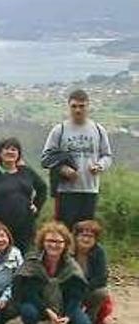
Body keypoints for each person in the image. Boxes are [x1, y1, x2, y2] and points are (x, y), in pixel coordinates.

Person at [41, 89, 113, 229]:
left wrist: (100, 166)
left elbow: (107, 156)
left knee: (85, 232)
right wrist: (63, 169)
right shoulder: (59, 130)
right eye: (74, 106)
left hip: (90, 189)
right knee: (64, 231)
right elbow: (46, 157)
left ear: (88, 106)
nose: (78, 110)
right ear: (69, 107)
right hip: (65, 191)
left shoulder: (98, 130)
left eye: (82, 106)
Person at [13, 221, 92, 324]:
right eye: (50, 241)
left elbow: (75, 295)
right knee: (28, 311)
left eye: (59, 242)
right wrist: (48, 311)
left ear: (65, 244)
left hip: (63, 305)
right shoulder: (33, 262)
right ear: (43, 242)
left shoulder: (72, 266)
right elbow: (28, 292)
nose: (54, 245)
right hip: (37, 303)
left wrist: (68, 316)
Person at [0, 138, 47, 253]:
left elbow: (42, 188)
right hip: (1, 230)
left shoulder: (26, 172)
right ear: (0, 153)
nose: (10, 152)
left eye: (14, 149)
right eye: (6, 149)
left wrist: (36, 206)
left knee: (23, 259)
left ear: (18, 154)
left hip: (25, 226)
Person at [73, 220, 113, 324]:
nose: (86, 239)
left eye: (90, 236)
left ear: (95, 239)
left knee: (102, 292)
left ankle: (90, 320)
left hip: (88, 289)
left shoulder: (99, 252)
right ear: (76, 236)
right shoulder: (68, 250)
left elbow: (101, 277)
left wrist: (84, 289)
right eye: (83, 235)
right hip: (69, 289)